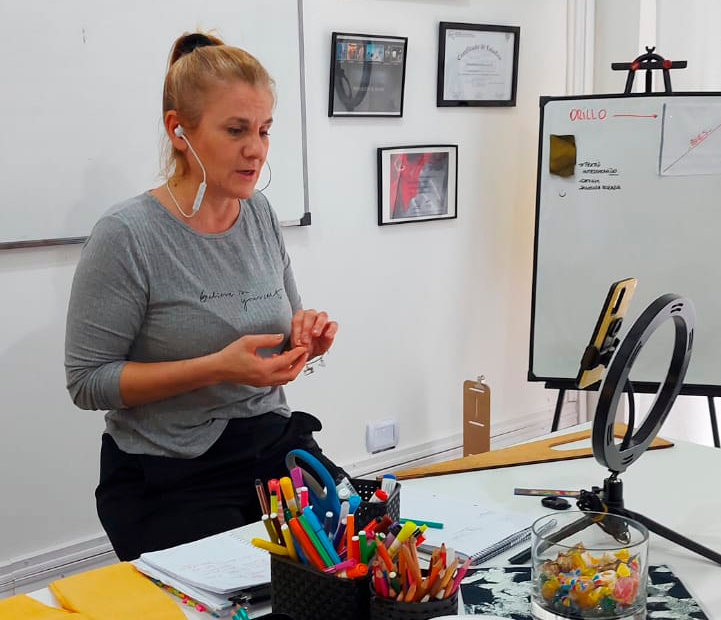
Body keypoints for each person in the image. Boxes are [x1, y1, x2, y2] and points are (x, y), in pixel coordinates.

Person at [64, 32, 341, 561]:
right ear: (179, 130)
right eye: (236, 130)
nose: (256, 149)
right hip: (170, 473)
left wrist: (306, 343)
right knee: (250, 588)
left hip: (271, 446)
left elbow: (283, 333)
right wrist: (216, 368)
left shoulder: (259, 213)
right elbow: (87, 382)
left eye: (264, 130)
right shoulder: (127, 235)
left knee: (358, 558)